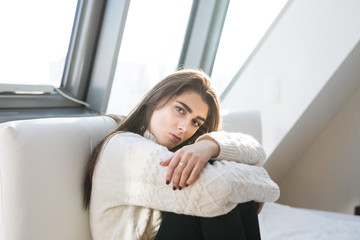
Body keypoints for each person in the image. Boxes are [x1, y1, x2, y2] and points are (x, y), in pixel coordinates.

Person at [83, 69, 280, 240]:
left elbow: (256, 151)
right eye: (180, 110)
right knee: (209, 196)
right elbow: (217, 189)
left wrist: (210, 145)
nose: (184, 127)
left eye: (196, 122)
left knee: (219, 190)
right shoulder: (124, 148)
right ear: (156, 98)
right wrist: (256, 184)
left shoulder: (175, 151)